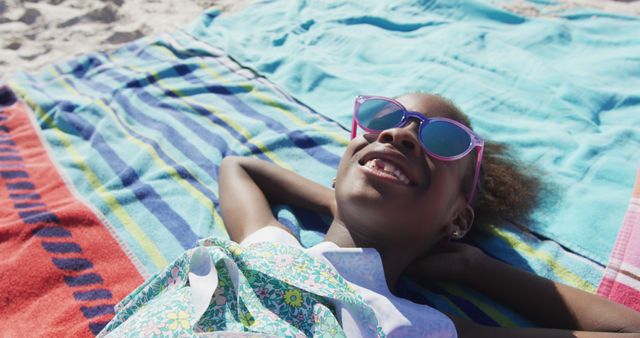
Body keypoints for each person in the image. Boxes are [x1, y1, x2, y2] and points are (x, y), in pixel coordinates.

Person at [100, 93, 640, 337]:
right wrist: (342, 199)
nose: (399, 133)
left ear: (457, 220)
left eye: (441, 140)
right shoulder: (272, 245)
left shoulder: (423, 327)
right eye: (384, 118)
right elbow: (239, 167)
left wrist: (471, 267)